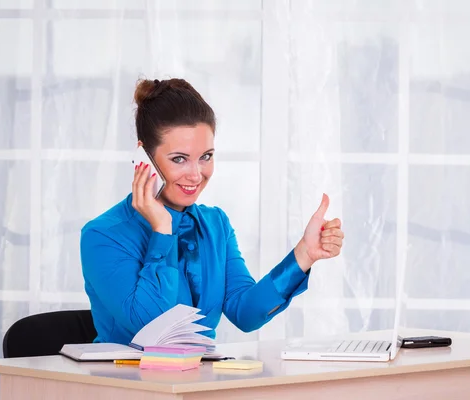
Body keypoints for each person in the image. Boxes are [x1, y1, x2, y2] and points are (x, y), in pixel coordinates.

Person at [80, 78, 345, 345]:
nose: (196, 175)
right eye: (179, 159)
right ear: (144, 157)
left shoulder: (214, 224)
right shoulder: (102, 236)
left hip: (198, 382)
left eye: (206, 156)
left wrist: (304, 254)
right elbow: (152, 327)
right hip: (130, 384)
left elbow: (245, 313)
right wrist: (162, 230)